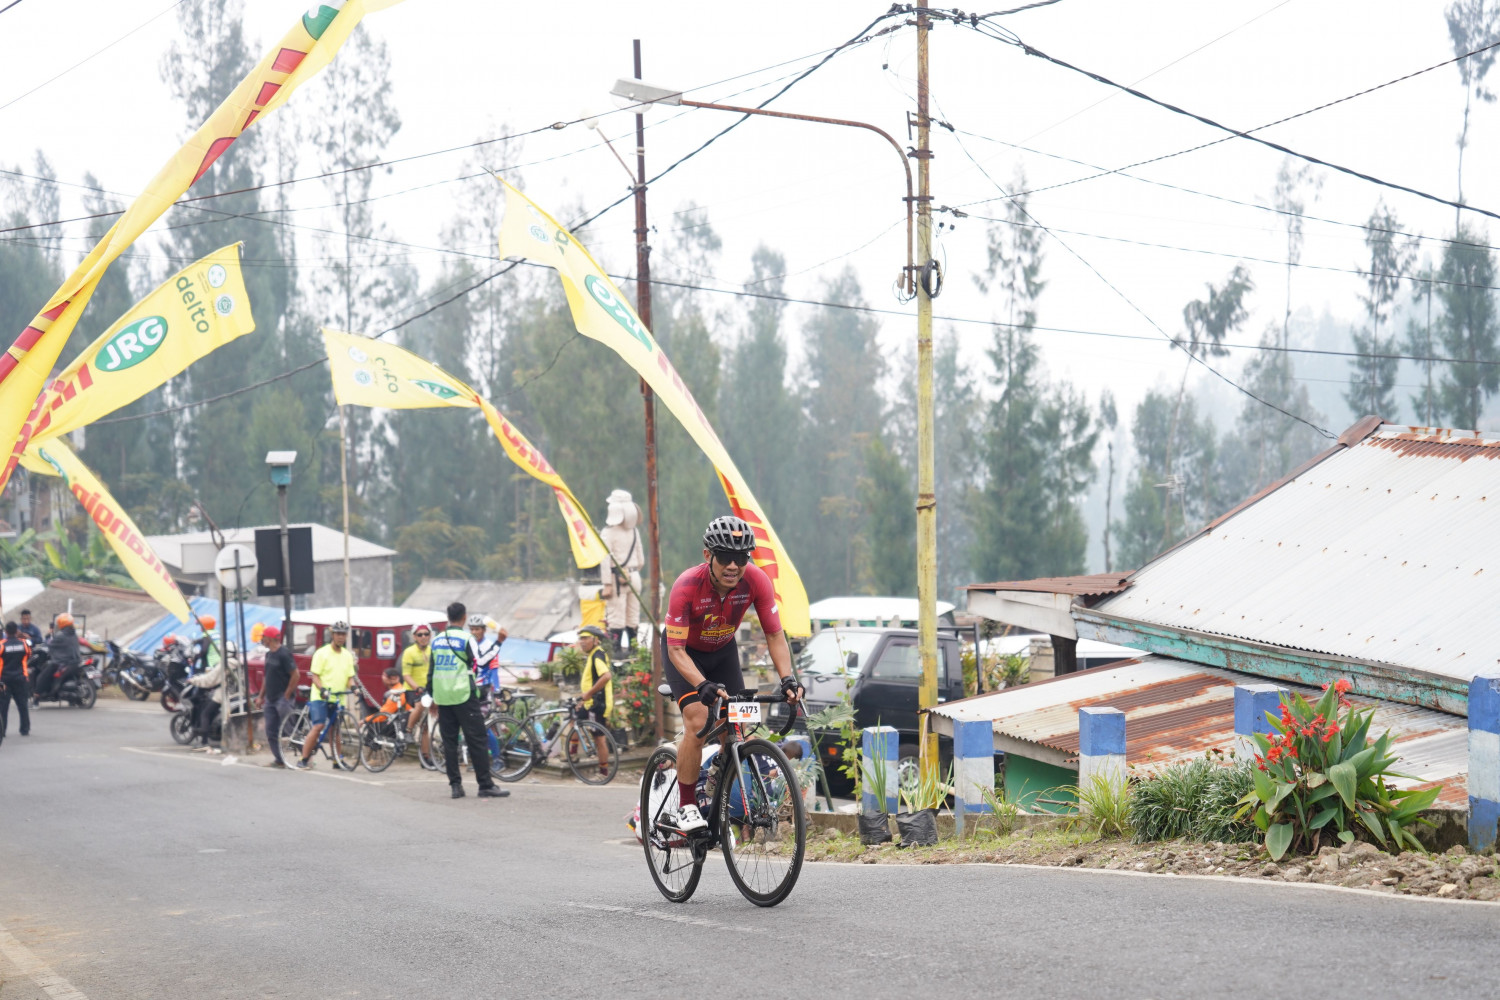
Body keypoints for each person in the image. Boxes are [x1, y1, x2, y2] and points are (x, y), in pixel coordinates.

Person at [661, 516, 801, 833]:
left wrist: (787, 679)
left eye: (741, 558)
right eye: (725, 557)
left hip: (723, 652)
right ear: (708, 555)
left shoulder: (757, 581)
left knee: (737, 726)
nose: (733, 566)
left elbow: (774, 634)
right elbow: (676, 650)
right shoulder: (687, 585)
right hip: (685, 654)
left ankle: (718, 773)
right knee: (698, 722)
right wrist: (701, 684)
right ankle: (686, 806)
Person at [428, 602, 508, 799]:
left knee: (449, 743)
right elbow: (481, 661)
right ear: (464, 617)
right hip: (464, 695)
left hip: (443, 697)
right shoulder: (467, 638)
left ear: (448, 617)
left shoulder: (436, 640)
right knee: (477, 739)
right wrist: (499, 643)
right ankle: (485, 785)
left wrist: (432, 697)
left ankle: (456, 786)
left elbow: (431, 672)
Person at [292, 622, 355, 771]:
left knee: (336, 730)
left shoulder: (347, 655)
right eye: (338, 634)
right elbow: (315, 676)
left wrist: (354, 688)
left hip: (338, 697)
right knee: (318, 726)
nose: (341, 637)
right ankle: (303, 759)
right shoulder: (321, 653)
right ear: (332, 635)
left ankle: (337, 760)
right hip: (321, 696)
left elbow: (350, 677)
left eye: (343, 634)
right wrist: (323, 689)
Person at [600, 489, 645, 653]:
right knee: (633, 616)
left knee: (616, 618)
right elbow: (641, 560)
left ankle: (616, 653)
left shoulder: (608, 532)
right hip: (635, 576)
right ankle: (634, 651)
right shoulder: (634, 531)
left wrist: (607, 583)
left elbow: (605, 559)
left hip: (616, 578)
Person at [256, 626, 298, 768]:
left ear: (270, 639)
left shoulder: (284, 654)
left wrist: (287, 695)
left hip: (282, 699)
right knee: (271, 730)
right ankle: (279, 760)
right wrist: (261, 697)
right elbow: (266, 677)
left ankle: (306, 757)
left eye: (264, 637)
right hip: (270, 699)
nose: (262, 640)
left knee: (289, 729)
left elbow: (295, 675)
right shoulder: (269, 655)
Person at [575, 624, 613, 778]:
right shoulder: (593, 654)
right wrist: (584, 699)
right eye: (581, 639)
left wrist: (589, 694)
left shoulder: (597, 655)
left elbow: (606, 676)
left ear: (596, 640)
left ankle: (603, 773)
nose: (582, 642)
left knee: (599, 739)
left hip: (598, 704)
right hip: (591, 702)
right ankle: (572, 754)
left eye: (586, 638)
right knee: (574, 717)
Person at [400, 624, 434, 757]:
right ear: (414, 637)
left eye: (426, 634)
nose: (423, 637)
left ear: (430, 636)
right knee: (420, 705)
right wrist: (417, 688)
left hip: (429, 689)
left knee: (426, 726)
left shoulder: (433, 651)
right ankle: (408, 731)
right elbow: (406, 675)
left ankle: (426, 757)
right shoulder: (409, 652)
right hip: (413, 690)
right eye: (420, 634)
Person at [0, 621, 31, 744]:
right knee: (23, 705)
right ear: (16, 631)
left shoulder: (2, 645)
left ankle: (3, 731)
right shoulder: (23, 644)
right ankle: (25, 729)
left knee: (3, 707)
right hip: (21, 678)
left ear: (6, 632)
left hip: (5, 680)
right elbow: (29, 654)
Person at [38, 612, 81, 699]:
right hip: (75, 661)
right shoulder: (74, 634)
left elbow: (50, 645)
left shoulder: (60, 635)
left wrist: (46, 639)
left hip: (63, 662)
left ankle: (37, 694)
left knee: (43, 674)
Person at [186, 652, 224, 747]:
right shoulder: (237, 663)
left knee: (205, 713)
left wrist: (193, 680)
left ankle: (204, 742)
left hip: (222, 695)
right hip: (233, 694)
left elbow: (209, 680)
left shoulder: (224, 665)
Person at [467, 614, 507, 696]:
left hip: (483, 686)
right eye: (471, 629)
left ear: (484, 630)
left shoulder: (490, 646)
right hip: (468, 686)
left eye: (477, 629)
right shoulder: (467, 643)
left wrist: (497, 689)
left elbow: (494, 669)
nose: (474, 632)